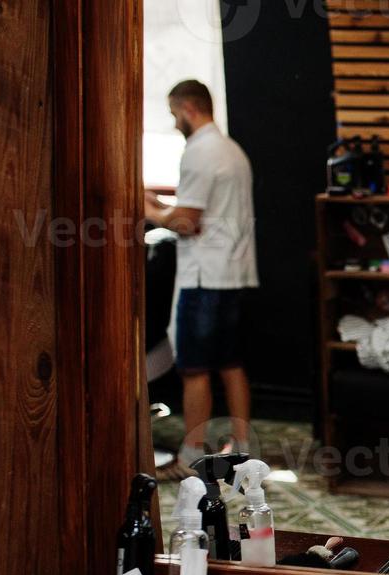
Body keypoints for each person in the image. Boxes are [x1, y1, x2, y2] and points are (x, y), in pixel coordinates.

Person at [144, 79, 258, 476]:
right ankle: (242, 448)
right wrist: (160, 204)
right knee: (231, 363)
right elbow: (205, 209)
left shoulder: (198, 152)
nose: (175, 123)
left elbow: (187, 223)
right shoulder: (231, 150)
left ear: (188, 108)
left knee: (194, 368)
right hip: (235, 272)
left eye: (175, 114)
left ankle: (191, 456)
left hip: (203, 278)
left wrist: (149, 212)